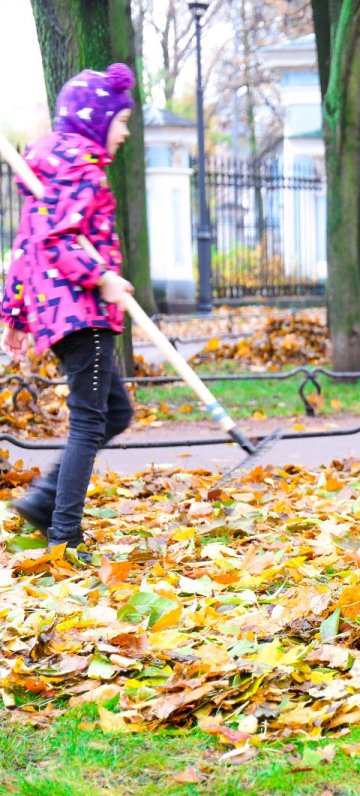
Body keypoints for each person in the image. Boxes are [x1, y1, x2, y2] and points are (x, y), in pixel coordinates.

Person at [1, 64, 138, 558]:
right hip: (83, 312)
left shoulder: (50, 167)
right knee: (88, 420)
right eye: (120, 120)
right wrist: (102, 278)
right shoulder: (82, 165)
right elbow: (57, 240)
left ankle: (43, 502)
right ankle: (64, 532)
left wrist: (15, 314)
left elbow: (27, 244)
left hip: (59, 315)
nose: (124, 131)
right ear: (95, 120)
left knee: (115, 412)